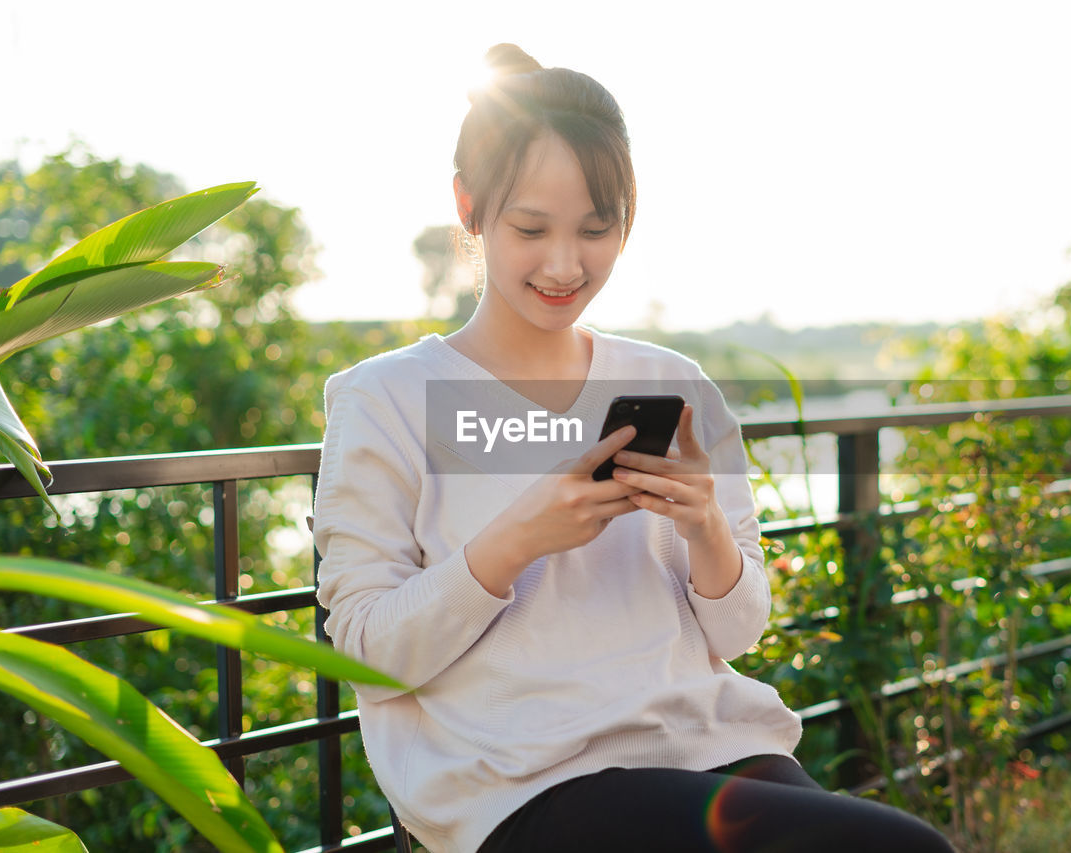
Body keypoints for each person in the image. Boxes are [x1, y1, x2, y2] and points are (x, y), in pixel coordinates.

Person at [313, 43, 953, 853]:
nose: (563, 264)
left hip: (711, 747)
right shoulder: (387, 398)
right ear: (468, 207)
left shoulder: (671, 382)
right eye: (530, 227)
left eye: (595, 229)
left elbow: (738, 632)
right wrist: (517, 539)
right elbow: (368, 652)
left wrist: (704, 527)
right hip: (521, 782)